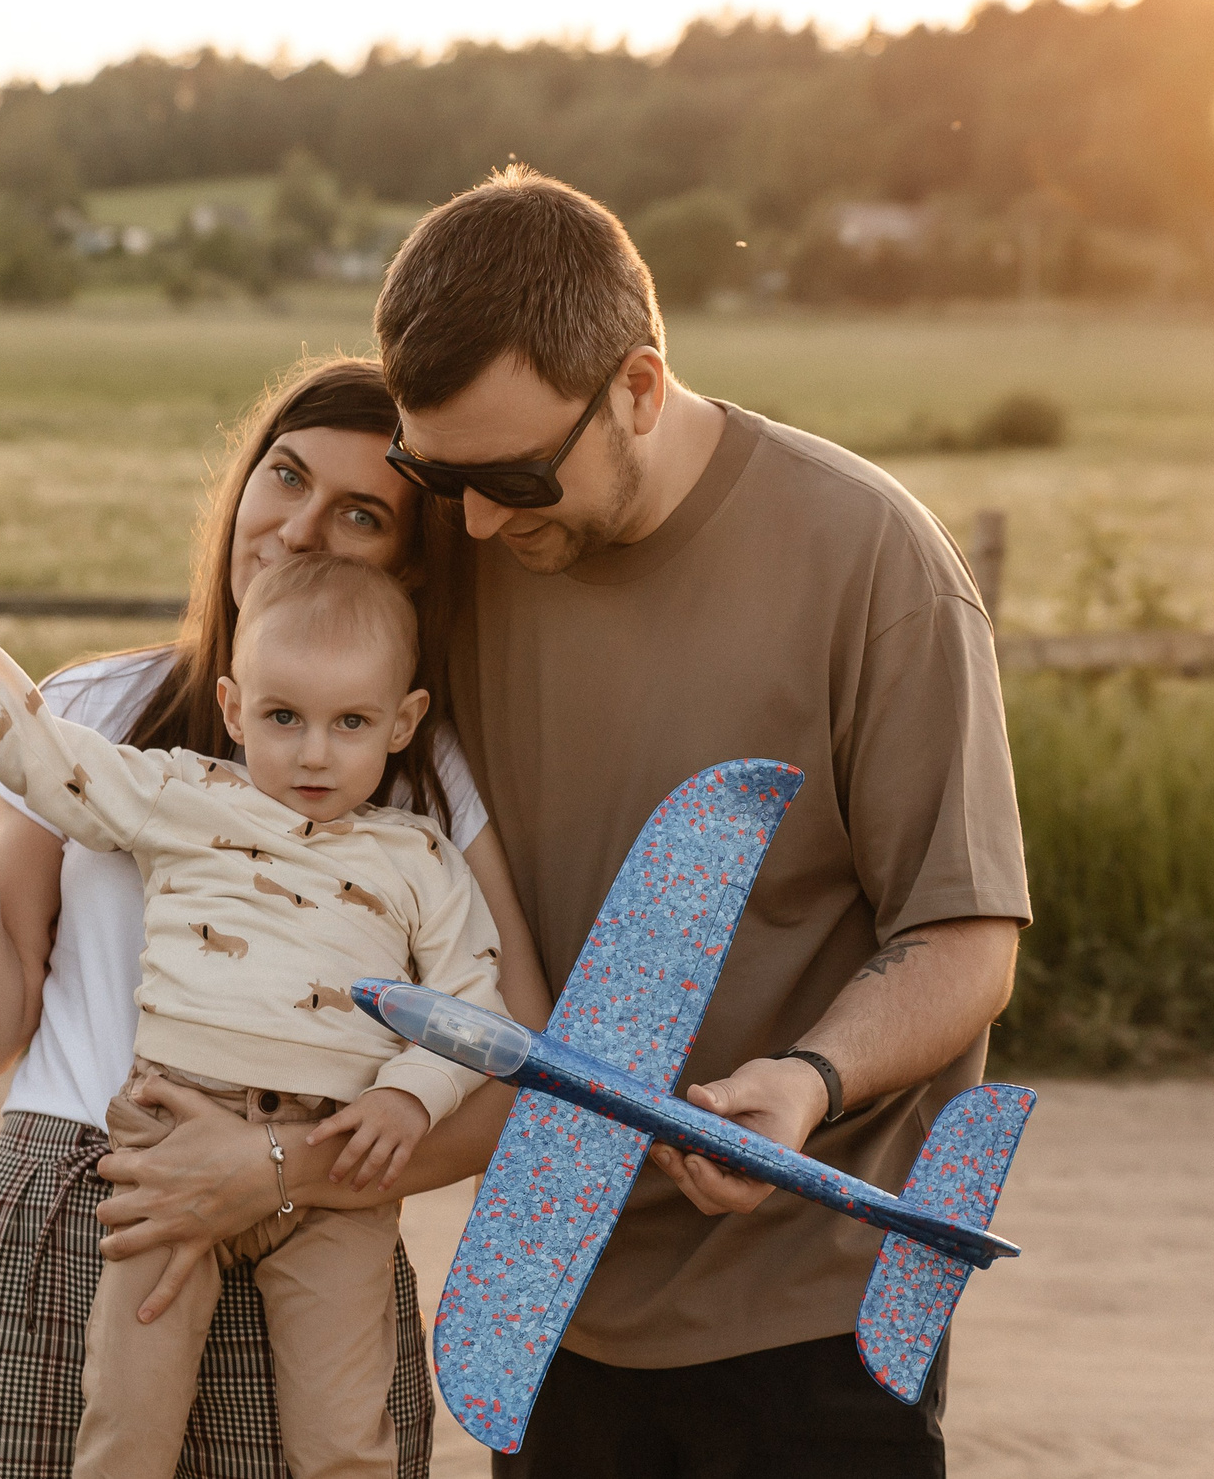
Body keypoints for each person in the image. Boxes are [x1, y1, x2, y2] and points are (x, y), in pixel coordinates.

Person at [94, 168, 1031, 1479]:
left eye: (516, 475)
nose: (472, 519)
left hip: (815, 1300)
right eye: (441, 476)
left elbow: (966, 937)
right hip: (541, 1284)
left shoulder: (874, 565)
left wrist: (808, 1080)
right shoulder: (474, 549)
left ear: (639, 388)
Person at [0, 356, 554, 1479]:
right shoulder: (97, 715)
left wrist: (280, 1168)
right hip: (84, 1212)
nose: (299, 529)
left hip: (316, 1232)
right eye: (285, 476)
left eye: (359, 512)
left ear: (411, 568)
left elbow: (514, 1065)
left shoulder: (423, 789)